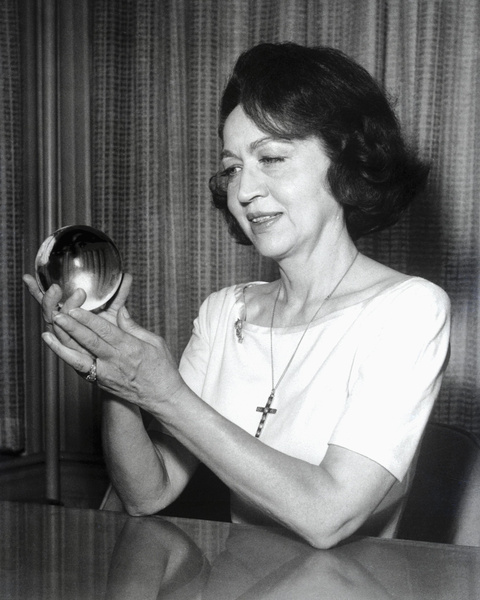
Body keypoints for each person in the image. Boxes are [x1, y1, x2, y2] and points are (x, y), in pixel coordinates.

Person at [24, 42, 450, 549]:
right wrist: (117, 374)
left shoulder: (410, 309)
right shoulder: (224, 311)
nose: (244, 190)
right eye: (232, 168)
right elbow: (147, 493)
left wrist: (164, 394)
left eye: (271, 158)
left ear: (345, 162)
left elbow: (328, 514)